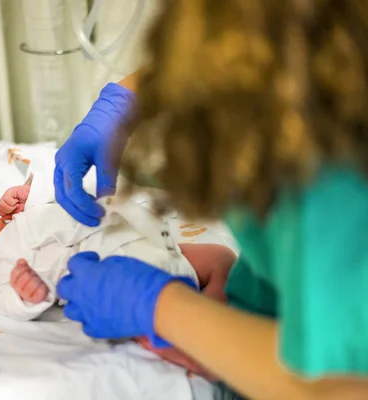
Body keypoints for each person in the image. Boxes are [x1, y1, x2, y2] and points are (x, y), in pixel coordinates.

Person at [54, 0, 368, 398]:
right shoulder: (300, 60)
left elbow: (336, 388)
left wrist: (162, 306)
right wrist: (125, 99)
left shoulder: (334, 189)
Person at [0, 186, 234, 329]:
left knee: (220, 256)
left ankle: (214, 301)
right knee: (149, 310)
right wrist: (28, 295)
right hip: (108, 275)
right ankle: (197, 330)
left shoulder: (25, 210)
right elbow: (5, 301)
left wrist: (34, 193)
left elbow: (64, 188)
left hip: (127, 234)